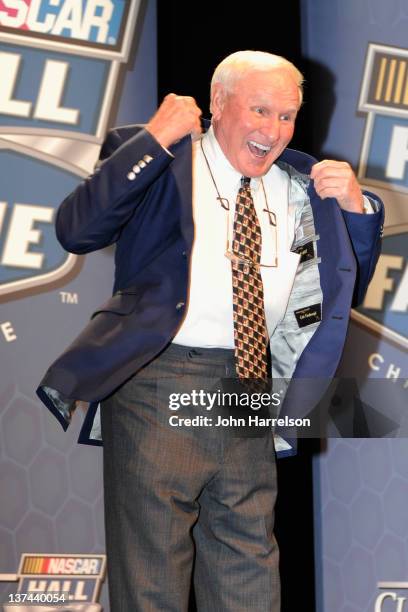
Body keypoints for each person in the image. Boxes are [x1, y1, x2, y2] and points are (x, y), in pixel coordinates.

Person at [37, 51, 383, 611]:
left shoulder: (301, 183)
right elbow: (77, 229)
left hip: (250, 382)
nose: (274, 130)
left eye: (288, 116)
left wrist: (356, 210)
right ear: (218, 103)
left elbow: (341, 289)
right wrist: (152, 138)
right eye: (261, 110)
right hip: (160, 379)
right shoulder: (162, 156)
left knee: (248, 567)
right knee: (153, 576)